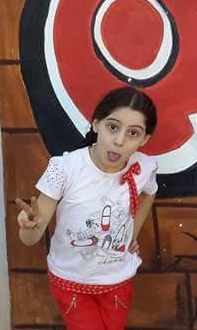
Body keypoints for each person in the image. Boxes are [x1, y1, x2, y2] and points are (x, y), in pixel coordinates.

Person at [16, 86, 159, 329]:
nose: (119, 140)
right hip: (70, 280)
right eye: (112, 127)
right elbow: (29, 239)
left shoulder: (145, 166)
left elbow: (148, 195)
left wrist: (131, 234)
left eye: (133, 133)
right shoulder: (65, 168)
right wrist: (31, 225)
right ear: (96, 124)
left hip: (119, 278)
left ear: (145, 139)